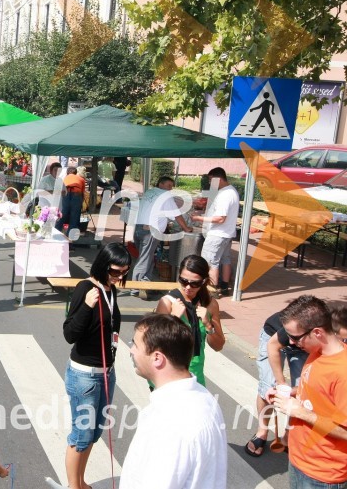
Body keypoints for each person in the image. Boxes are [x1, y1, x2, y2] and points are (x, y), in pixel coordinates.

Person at [120, 314, 227, 489]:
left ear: (157, 358)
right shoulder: (204, 398)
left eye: (135, 345)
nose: (131, 350)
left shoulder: (169, 424)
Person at [269, 295, 347, 489]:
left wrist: (300, 412)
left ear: (317, 332)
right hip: (300, 460)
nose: (291, 343)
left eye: (295, 337)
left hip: (322, 475)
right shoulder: (317, 353)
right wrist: (291, 393)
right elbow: (318, 393)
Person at [247, 304, 347, 457]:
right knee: (269, 385)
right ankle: (262, 431)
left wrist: (300, 407)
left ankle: (289, 434)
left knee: (302, 388)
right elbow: (273, 346)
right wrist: (281, 384)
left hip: (307, 344)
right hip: (275, 340)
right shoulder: (297, 332)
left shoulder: (343, 366)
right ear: (325, 333)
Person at [62, 242, 131, 489]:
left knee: (94, 433)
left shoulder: (111, 290)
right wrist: (87, 307)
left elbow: (109, 327)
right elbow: (69, 333)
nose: (119, 276)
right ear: (103, 264)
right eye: (115, 271)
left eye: (124, 272)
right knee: (80, 436)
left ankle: (80, 481)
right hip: (84, 376)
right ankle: (73, 485)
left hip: (106, 373)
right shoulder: (85, 288)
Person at [154, 255, 225, 386]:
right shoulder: (167, 302)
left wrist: (208, 325)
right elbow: (154, 343)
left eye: (195, 283)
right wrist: (173, 318)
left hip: (195, 377)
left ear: (203, 282)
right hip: (169, 376)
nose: (188, 287)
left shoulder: (210, 304)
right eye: (183, 280)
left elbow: (218, 346)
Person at [132, 176, 192, 283]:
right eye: (169, 185)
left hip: (139, 228)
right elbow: (177, 215)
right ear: (161, 184)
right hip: (150, 231)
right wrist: (186, 228)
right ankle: (136, 288)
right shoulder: (165, 195)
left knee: (147, 257)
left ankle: (145, 282)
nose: (170, 189)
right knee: (144, 260)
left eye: (171, 187)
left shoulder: (149, 192)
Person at [192, 167, 239, 296]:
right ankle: (224, 287)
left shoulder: (225, 194)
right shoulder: (231, 191)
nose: (210, 183)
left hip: (217, 234)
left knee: (211, 263)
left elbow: (220, 218)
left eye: (211, 180)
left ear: (218, 179)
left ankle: (211, 291)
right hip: (227, 233)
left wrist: (199, 218)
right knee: (226, 260)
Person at [55, 167, 86, 236]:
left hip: (66, 194)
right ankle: (70, 234)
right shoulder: (81, 179)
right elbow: (83, 192)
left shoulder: (65, 178)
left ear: (67, 173)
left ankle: (57, 230)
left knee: (63, 213)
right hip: (76, 194)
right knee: (75, 215)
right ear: (76, 173)